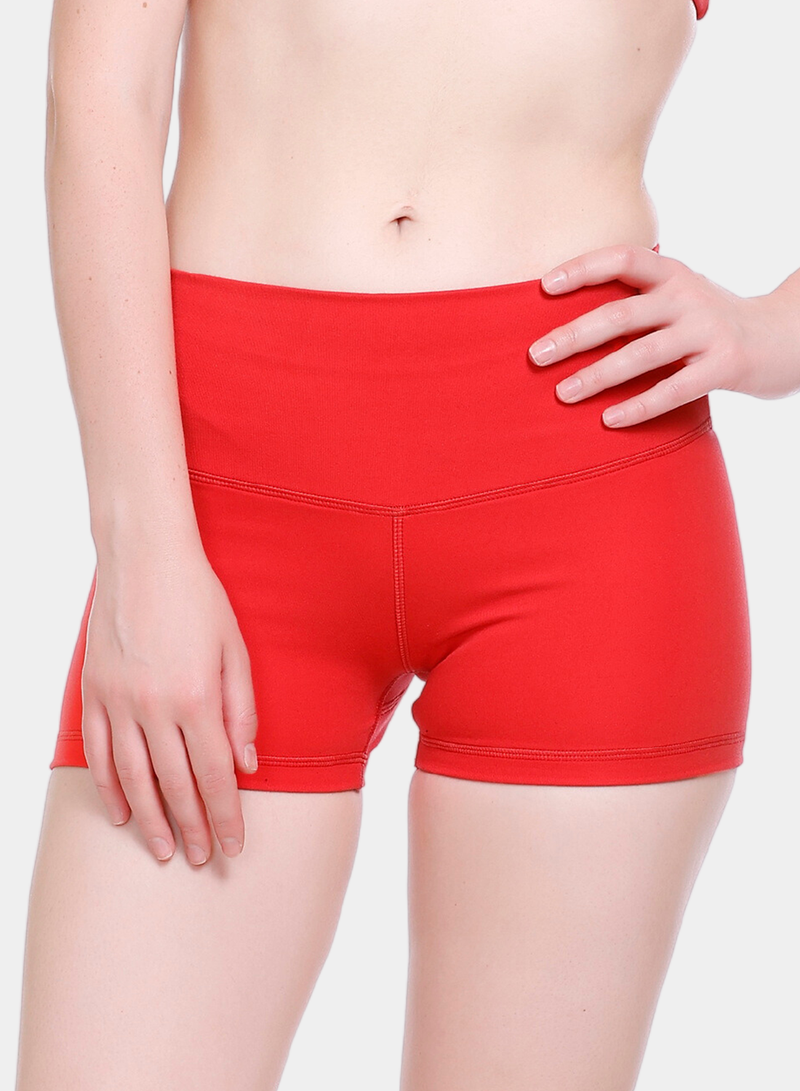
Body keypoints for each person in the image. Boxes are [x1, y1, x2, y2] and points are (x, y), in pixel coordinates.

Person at [14, 0, 800, 1087]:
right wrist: (141, 553)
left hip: (585, 500)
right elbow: (103, 96)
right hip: (223, 508)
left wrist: (775, 330)